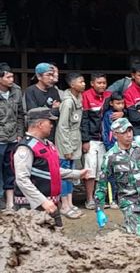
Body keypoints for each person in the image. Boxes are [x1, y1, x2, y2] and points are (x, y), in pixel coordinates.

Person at [14, 108, 88, 222]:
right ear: (40, 124)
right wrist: (42, 201)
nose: (52, 126)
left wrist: (77, 174)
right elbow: (22, 179)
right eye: (50, 122)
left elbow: (52, 171)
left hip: (50, 204)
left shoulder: (48, 144)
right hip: (31, 207)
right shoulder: (25, 147)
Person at [55, 73, 85, 219]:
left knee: (71, 172)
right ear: (72, 85)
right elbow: (63, 127)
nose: (84, 84)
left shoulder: (79, 98)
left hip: (74, 140)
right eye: (81, 81)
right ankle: (64, 205)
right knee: (65, 173)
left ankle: (70, 203)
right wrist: (66, 148)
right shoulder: (67, 102)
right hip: (66, 141)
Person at [81, 73, 111, 210]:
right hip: (91, 139)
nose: (102, 85)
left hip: (104, 140)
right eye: (99, 83)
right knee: (90, 170)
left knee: (101, 171)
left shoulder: (109, 95)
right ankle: (89, 199)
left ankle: (99, 198)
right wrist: (85, 140)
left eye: (104, 83)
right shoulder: (86, 95)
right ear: (92, 83)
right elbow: (84, 120)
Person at [0, 63, 24, 210]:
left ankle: (10, 201)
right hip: (0, 138)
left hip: (13, 138)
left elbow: (21, 114)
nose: (11, 79)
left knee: (11, 169)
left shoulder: (16, 90)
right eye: (8, 77)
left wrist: (20, 134)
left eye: (12, 76)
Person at [24, 63, 61, 142]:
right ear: (39, 77)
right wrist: (52, 110)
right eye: (48, 75)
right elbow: (35, 113)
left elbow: (58, 111)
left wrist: (48, 111)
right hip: (37, 134)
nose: (51, 78)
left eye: (52, 75)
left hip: (51, 132)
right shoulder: (30, 91)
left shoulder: (54, 91)